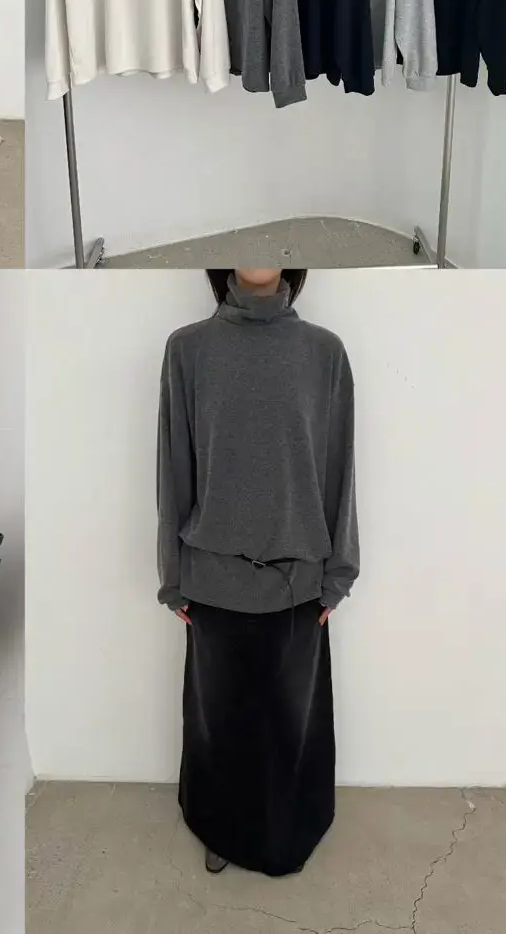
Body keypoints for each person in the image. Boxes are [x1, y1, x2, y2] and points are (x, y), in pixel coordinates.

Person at [157, 267, 359, 876]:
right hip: (213, 583)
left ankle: (287, 833)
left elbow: (339, 469)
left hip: (299, 585)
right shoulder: (188, 349)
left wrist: (339, 575)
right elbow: (173, 468)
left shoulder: (324, 352)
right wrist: (172, 576)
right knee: (219, 722)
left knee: (289, 723)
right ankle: (220, 827)